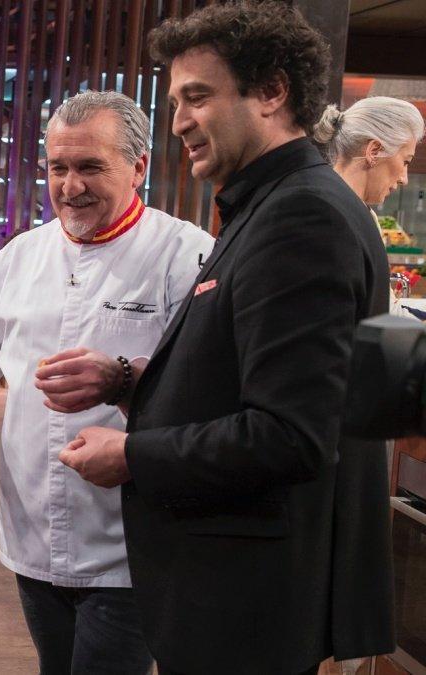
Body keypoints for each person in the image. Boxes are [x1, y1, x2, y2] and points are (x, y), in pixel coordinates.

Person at [53, 4, 395, 673]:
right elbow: (248, 369)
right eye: (177, 99)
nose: (178, 119)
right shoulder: (271, 203)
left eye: (198, 97)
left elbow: (289, 433)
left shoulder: (301, 217)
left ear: (272, 92)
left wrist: (132, 455)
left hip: (246, 608)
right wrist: (129, 380)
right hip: (237, 597)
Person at [0, 90, 213, 675]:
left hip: (131, 539)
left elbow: (203, 386)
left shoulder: (183, 253)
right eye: (58, 168)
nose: (70, 186)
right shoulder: (22, 255)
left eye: (91, 167)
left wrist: (125, 383)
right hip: (30, 528)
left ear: (139, 167)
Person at [315, 97, 424, 317]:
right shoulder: (326, 215)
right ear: (374, 151)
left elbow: (384, 308)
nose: (404, 179)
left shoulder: (363, 215)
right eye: (405, 161)